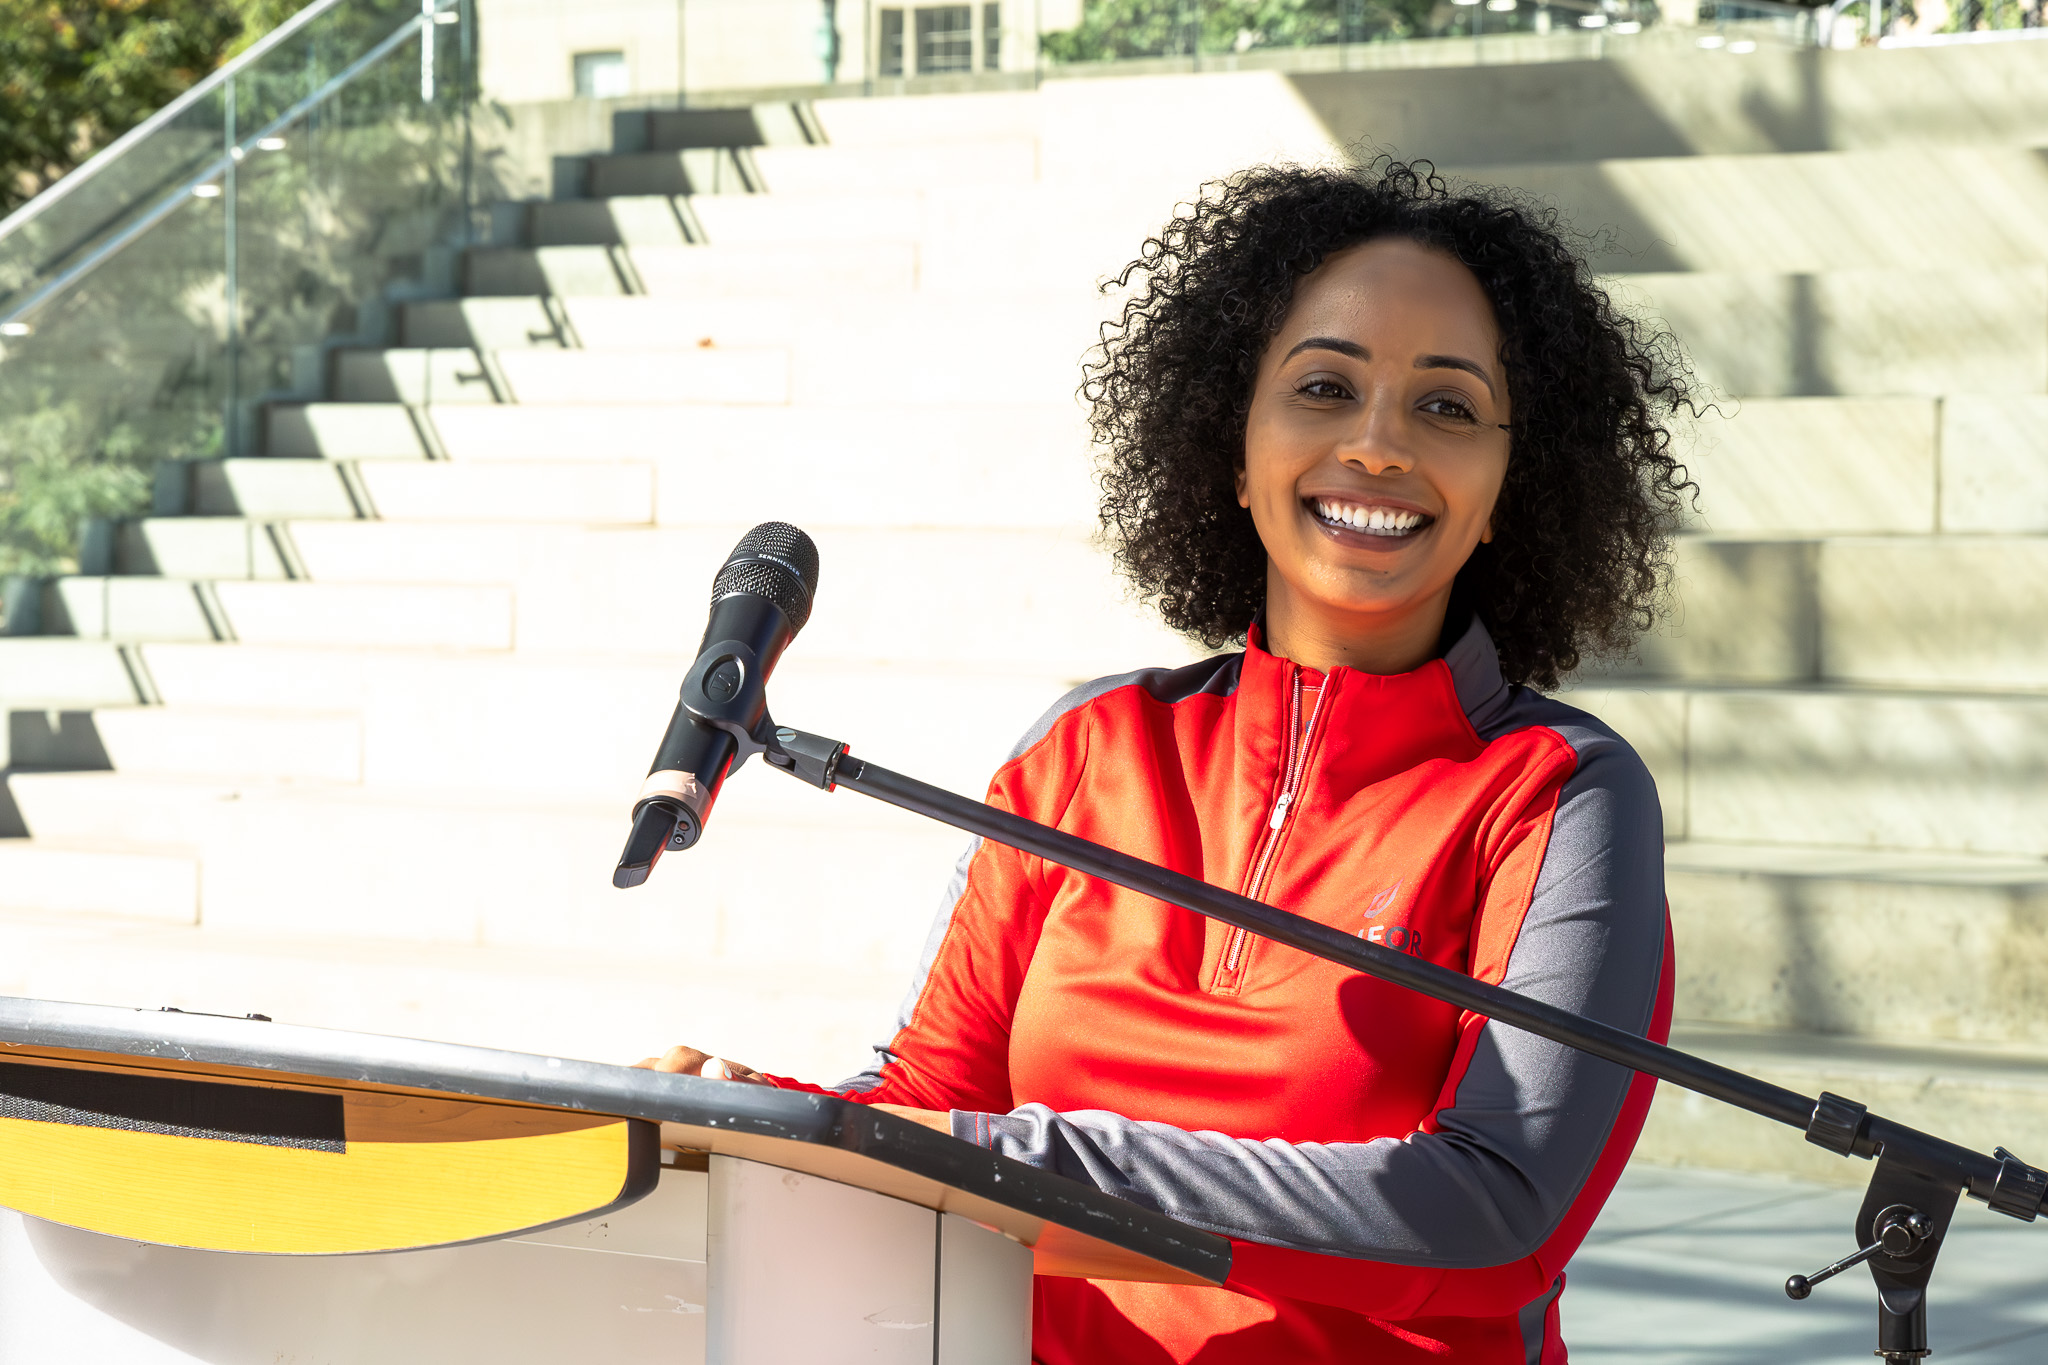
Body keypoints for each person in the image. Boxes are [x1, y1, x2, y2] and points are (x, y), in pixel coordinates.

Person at [639, 159, 1696, 1363]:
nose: (1378, 444)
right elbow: (931, 1104)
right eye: (1321, 386)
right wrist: (746, 1120)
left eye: (1444, 407)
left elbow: (1491, 1217)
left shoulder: (1555, 793)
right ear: (1230, 452)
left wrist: (1020, 1165)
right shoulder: (1087, 748)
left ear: (1511, 487)